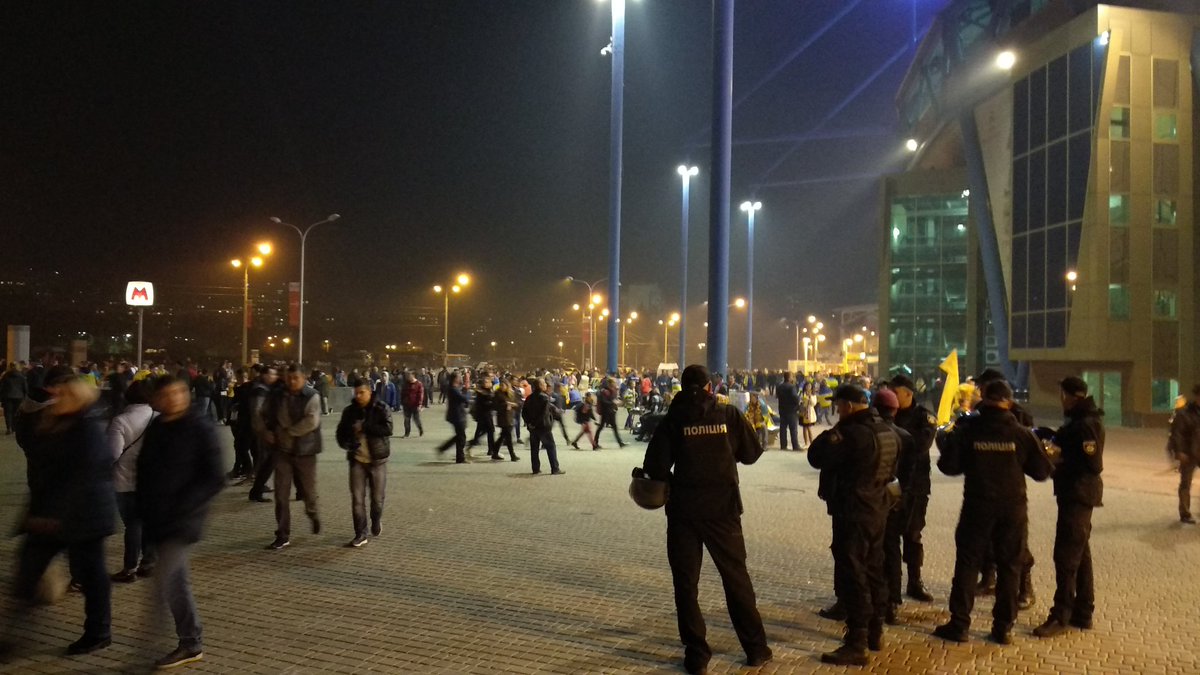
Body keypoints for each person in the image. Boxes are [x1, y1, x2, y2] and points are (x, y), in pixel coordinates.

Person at [639, 365, 770, 674]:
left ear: (682, 387)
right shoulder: (728, 414)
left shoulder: (673, 418)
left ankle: (697, 655)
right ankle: (755, 649)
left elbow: (655, 467)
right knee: (736, 579)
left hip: (684, 512)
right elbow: (752, 453)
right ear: (711, 387)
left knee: (686, 585)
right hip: (723, 510)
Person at [933, 379, 1053, 645]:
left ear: (983, 398)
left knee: (967, 563)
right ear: (1008, 402)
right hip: (1012, 509)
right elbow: (1042, 471)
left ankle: (960, 624)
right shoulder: (1022, 434)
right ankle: (1003, 628)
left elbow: (948, 466)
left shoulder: (968, 430)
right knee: (1010, 566)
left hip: (977, 506)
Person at [6, 367, 115, 655]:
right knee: (29, 570)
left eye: (63, 394)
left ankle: (99, 632)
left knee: (92, 576)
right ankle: (14, 634)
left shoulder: (87, 429)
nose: (56, 397)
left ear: (77, 398)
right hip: (51, 516)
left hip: (84, 517)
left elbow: (83, 478)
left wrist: (52, 515)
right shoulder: (57, 423)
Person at [135, 376, 225, 669]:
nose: (174, 398)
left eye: (179, 392)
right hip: (158, 517)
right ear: (158, 399)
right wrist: (143, 506)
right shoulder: (157, 427)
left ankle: (181, 642)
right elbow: (144, 469)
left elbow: (214, 477)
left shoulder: (200, 427)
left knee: (165, 582)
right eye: (167, 393)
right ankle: (189, 640)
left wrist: (184, 504)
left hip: (184, 518)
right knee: (175, 580)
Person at [808, 385, 901, 666]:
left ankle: (856, 642)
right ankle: (875, 631)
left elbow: (816, 455)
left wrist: (836, 430)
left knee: (854, 573)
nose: (837, 411)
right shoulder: (887, 431)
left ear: (848, 406)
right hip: (878, 509)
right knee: (874, 569)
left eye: (839, 406)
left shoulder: (852, 434)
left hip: (853, 511)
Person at [1033, 376, 1104, 638]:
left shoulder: (1086, 425)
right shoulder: (1078, 421)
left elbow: (1093, 464)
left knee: (1065, 556)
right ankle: (1083, 612)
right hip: (1074, 493)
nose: (1060, 399)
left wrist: (1059, 458)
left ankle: (1060, 615)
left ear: (1071, 396)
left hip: (1078, 494)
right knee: (1080, 553)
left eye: (1062, 395)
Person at [886, 375, 937, 604]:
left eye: (895, 392)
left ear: (908, 393)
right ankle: (891, 587)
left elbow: (921, 445)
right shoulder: (887, 413)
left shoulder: (924, 416)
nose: (892, 397)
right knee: (889, 537)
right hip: (890, 484)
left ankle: (915, 581)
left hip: (916, 485)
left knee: (913, 534)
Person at [265, 365, 323, 550]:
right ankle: (282, 534)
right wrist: (267, 430)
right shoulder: (278, 395)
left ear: (304, 378)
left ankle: (312, 513)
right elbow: (266, 413)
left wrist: (289, 431)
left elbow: (311, 422)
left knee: (308, 491)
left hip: (305, 451)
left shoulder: (312, 396)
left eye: (295, 378)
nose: (291, 381)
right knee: (281, 494)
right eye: (289, 378)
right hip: (282, 451)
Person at [108, 380, 157, 582]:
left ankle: (130, 568)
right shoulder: (158, 418)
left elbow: (113, 453)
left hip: (124, 480)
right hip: (151, 481)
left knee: (133, 525)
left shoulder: (120, 421)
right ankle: (149, 562)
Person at [335, 380, 392, 548]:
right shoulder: (350, 411)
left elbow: (388, 429)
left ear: (369, 392)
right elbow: (340, 433)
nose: (358, 396)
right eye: (356, 393)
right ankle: (360, 533)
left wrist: (365, 427)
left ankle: (376, 520)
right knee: (357, 499)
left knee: (377, 500)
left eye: (362, 393)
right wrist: (346, 444)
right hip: (357, 461)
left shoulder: (381, 408)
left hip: (377, 461)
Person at [1170, 384, 1200, 523]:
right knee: (1185, 483)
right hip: (1189, 453)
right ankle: (1185, 513)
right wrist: (1180, 451)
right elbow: (1177, 434)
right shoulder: (1185, 413)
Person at [521, 378, 564, 475]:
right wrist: (535, 423)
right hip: (543, 426)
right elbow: (543, 414)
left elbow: (524, 412)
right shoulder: (544, 397)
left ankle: (535, 469)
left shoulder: (529, 398)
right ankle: (555, 468)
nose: (545, 385)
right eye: (544, 383)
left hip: (533, 428)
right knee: (551, 447)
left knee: (534, 449)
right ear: (540, 385)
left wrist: (529, 423)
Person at [437, 372, 470, 463]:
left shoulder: (455, 388)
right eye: (459, 377)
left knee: (459, 436)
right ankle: (460, 458)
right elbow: (464, 399)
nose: (461, 378)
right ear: (455, 379)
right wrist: (467, 391)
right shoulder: (453, 389)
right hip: (457, 416)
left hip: (458, 415)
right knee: (461, 437)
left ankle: (443, 448)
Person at [592, 378, 627, 448]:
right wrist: (613, 403)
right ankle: (595, 443)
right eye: (614, 383)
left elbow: (611, 399)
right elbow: (604, 401)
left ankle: (620, 443)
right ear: (610, 384)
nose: (615, 384)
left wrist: (616, 402)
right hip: (606, 412)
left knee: (612, 427)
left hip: (610, 411)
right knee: (602, 427)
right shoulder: (605, 391)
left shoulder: (611, 390)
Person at [491, 379, 519, 461]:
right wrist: (505, 405)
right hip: (503, 417)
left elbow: (518, 403)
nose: (502, 387)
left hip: (510, 416)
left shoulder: (511, 393)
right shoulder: (497, 394)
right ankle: (512, 455)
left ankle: (494, 451)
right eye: (501, 385)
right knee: (508, 437)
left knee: (503, 436)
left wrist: (513, 404)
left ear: (507, 386)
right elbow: (495, 406)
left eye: (503, 385)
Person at [775, 372, 801, 450]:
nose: (793, 378)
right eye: (792, 377)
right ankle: (795, 446)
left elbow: (777, 396)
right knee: (793, 429)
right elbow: (794, 397)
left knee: (783, 429)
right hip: (791, 410)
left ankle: (783, 445)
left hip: (782, 410)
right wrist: (798, 400)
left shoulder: (779, 386)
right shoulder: (792, 387)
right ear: (789, 378)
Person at [0, 361, 28, 434]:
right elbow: (25, 387)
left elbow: (2, 386)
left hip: (7, 396)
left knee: (8, 413)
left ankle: (9, 427)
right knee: (16, 413)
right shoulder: (21, 376)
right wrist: (25, 396)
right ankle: (14, 427)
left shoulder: (6, 375)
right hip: (19, 397)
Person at [401, 370, 425, 437]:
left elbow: (420, 395)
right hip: (406, 405)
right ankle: (407, 433)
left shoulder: (418, 384)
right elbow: (402, 393)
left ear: (413, 376)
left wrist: (419, 404)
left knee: (416, 419)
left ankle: (420, 429)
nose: (407, 377)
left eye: (409, 376)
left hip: (415, 405)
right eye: (407, 376)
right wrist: (402, 401)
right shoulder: (406, 384)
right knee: (406, 420)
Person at [800, 382, 817, 447]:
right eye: (807, 386)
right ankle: (806, 443)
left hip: (809, 412)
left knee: (809, 428)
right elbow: (800, 401)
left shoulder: (813, 394)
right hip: (803, 412)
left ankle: (811, 443)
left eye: (809, 386)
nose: (808, 387)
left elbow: (814, 403)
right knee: (804, 428)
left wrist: (810, 397)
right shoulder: (802, 393)